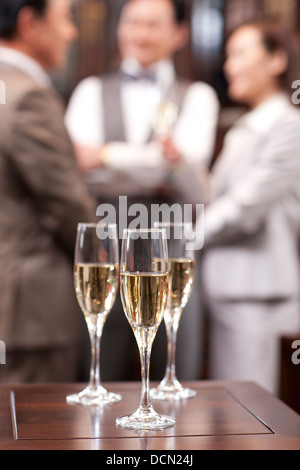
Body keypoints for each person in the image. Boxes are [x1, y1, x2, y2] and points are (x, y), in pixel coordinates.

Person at [65, 0, 219, 381]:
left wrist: (102, 156)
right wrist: (159, 163)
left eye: (153, 24)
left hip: (172, 251)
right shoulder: (89, 90)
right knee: (99, 369)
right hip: (103, 248)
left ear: (180, 34)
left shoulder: (199, 96)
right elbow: (75, 167)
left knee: (176, 373)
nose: (140, 33)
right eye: (132, 22)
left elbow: (191, 181)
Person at [200, 19, 300, 395]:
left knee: (257, 419)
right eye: (227, 55)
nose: (229, 66)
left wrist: (179, 238)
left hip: (259, 295)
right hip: (230, 290)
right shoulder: (247, 126)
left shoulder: (288, 126)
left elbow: (244, 208)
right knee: (235, 418)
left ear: (276, 60)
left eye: (240, 53)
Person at [0, 0, 94, 383]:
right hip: (29, 314)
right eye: (65, 18)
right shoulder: (27, 97)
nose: (71, 32)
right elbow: (68, 206)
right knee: (36, 435)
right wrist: (108, 256)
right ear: (29, 23)